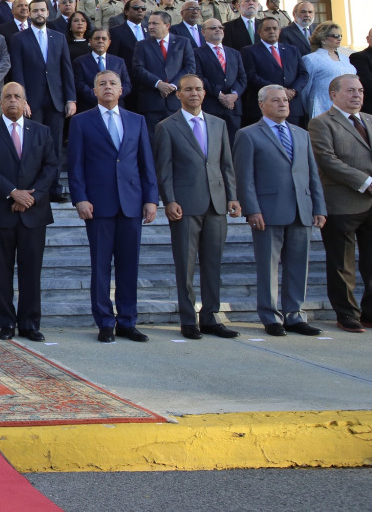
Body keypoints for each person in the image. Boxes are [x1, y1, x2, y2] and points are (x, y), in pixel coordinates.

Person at [68, 70, 158, 343]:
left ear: (121, 90)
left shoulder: (136, 120)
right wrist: (80, 198)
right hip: (98, 204)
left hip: (131, 203)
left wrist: (151, 199)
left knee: (129, 266)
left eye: (113, 83)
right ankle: (105, 322)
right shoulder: (81, 122)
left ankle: (128, 321)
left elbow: (146, 162)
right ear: (94, 91)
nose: (108, 87)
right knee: (101, 267)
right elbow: (75, 165)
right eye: (102, 84)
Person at [152, 75, 242, 340]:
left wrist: (233, 196)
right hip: (185, 204)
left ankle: (211, 317)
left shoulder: (218, 124)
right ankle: (188, 319)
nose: (194, 93)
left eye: (198, 89)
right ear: (178, 94)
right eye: (188, 89)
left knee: (213, 264)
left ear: (205, 93)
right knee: (186, 266)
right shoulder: (166, 127)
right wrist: (169, 200)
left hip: (216, 204)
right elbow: (164, 169)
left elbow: (226, 164)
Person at [235, 85, 327, 336]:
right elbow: (244, 177)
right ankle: (270, 316)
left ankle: (294, 315)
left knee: (298, 266)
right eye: (276, 100)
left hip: (301, 209)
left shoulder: (301, 134)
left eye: (285, 100)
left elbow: (312, 174)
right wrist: (252, 209)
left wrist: (319, 207)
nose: (283, 104)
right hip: (268, 211)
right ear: (261, 105)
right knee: (268, 267)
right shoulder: (248, 135)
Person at [0, 81, 57, 342]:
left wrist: (31, 197)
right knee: (0, 271)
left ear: (25, 102)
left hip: (33, 212)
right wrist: (12, 192)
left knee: (31, 271)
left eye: (17, 97)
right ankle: (6, 322)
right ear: (0, 102)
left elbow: (51, 167)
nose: (12, 100)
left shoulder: (42, 131)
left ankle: (30, 324)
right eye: (7, 96)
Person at [307, 75, 372, 333]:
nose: (357, 95)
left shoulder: (369, 120)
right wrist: (365, 182)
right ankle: (347, 314)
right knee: (342, 265)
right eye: (350, 90)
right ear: (333, 94)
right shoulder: (321, 123)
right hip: (341, 203)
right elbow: (327, 160)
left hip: (370, 204)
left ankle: (369, 312)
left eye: (360, 91)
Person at [10, 0, 76, 202]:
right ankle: (35, 189)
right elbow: (18, 72)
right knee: (33, 145)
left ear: (48, 13)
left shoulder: (59, 37)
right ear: (29, 14)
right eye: (35, 10)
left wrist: (71, 99)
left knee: (54, 145)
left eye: (42, 10)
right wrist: (23, 100)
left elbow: (66, 69)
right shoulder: (19, 38)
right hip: (32, 102)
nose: (39, 13)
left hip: (56, 100)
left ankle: (54, 189)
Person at [130, 10, 197, 134]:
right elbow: (138, 69)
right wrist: (158, 84)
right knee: (154, 140)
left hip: (176, 102)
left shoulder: (183, 42)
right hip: (151, 103)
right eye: (149, 23)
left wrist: (173, 85)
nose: (150, 27)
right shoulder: (142, 45)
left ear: (167, 25)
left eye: (155, 23)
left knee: (177, 139)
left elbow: (190, 67)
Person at [241, 17, 308, 126]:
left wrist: (293, 90)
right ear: (259, 32)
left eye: (275, 28)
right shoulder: (249, 51)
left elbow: (303, 74)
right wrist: (279, 90)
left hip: (292, 105)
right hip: (265, 107)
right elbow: (251, 76)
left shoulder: (292, 50)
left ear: (279, 31)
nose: (272, 31)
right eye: (267, 29)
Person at [301, 22, 355, 120]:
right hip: (322, 107)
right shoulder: (311, 59)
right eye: (335, 36)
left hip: (346, 107)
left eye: (340, 36)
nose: (339, 38)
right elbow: (305, 89)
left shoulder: (345, 58)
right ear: (323, 39)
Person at [73, 27, 131, 111]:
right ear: (90, 41)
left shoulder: (119, 62)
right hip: (90, 108)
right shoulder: (79, 62)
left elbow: (127, 84)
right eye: (97, 38)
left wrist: (113, 96)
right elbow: (79, 85)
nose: (100, 41)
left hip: (116, 107)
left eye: (104, 39)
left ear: (109, 42)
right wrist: (100, 97)